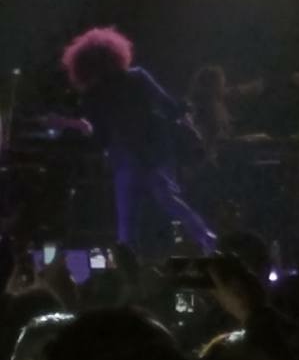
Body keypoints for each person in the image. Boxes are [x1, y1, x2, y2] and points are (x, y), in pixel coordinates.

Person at [60, 27, 217, 254]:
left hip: (127, 156)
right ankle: (207, 239)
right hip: (153, 150)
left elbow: (99, 136)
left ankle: (128, 265)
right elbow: (170, 107)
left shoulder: (94, 94)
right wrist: (187, 121)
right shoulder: (137, 77)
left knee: (127, 219)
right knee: (167, 199)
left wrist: (78, 128)